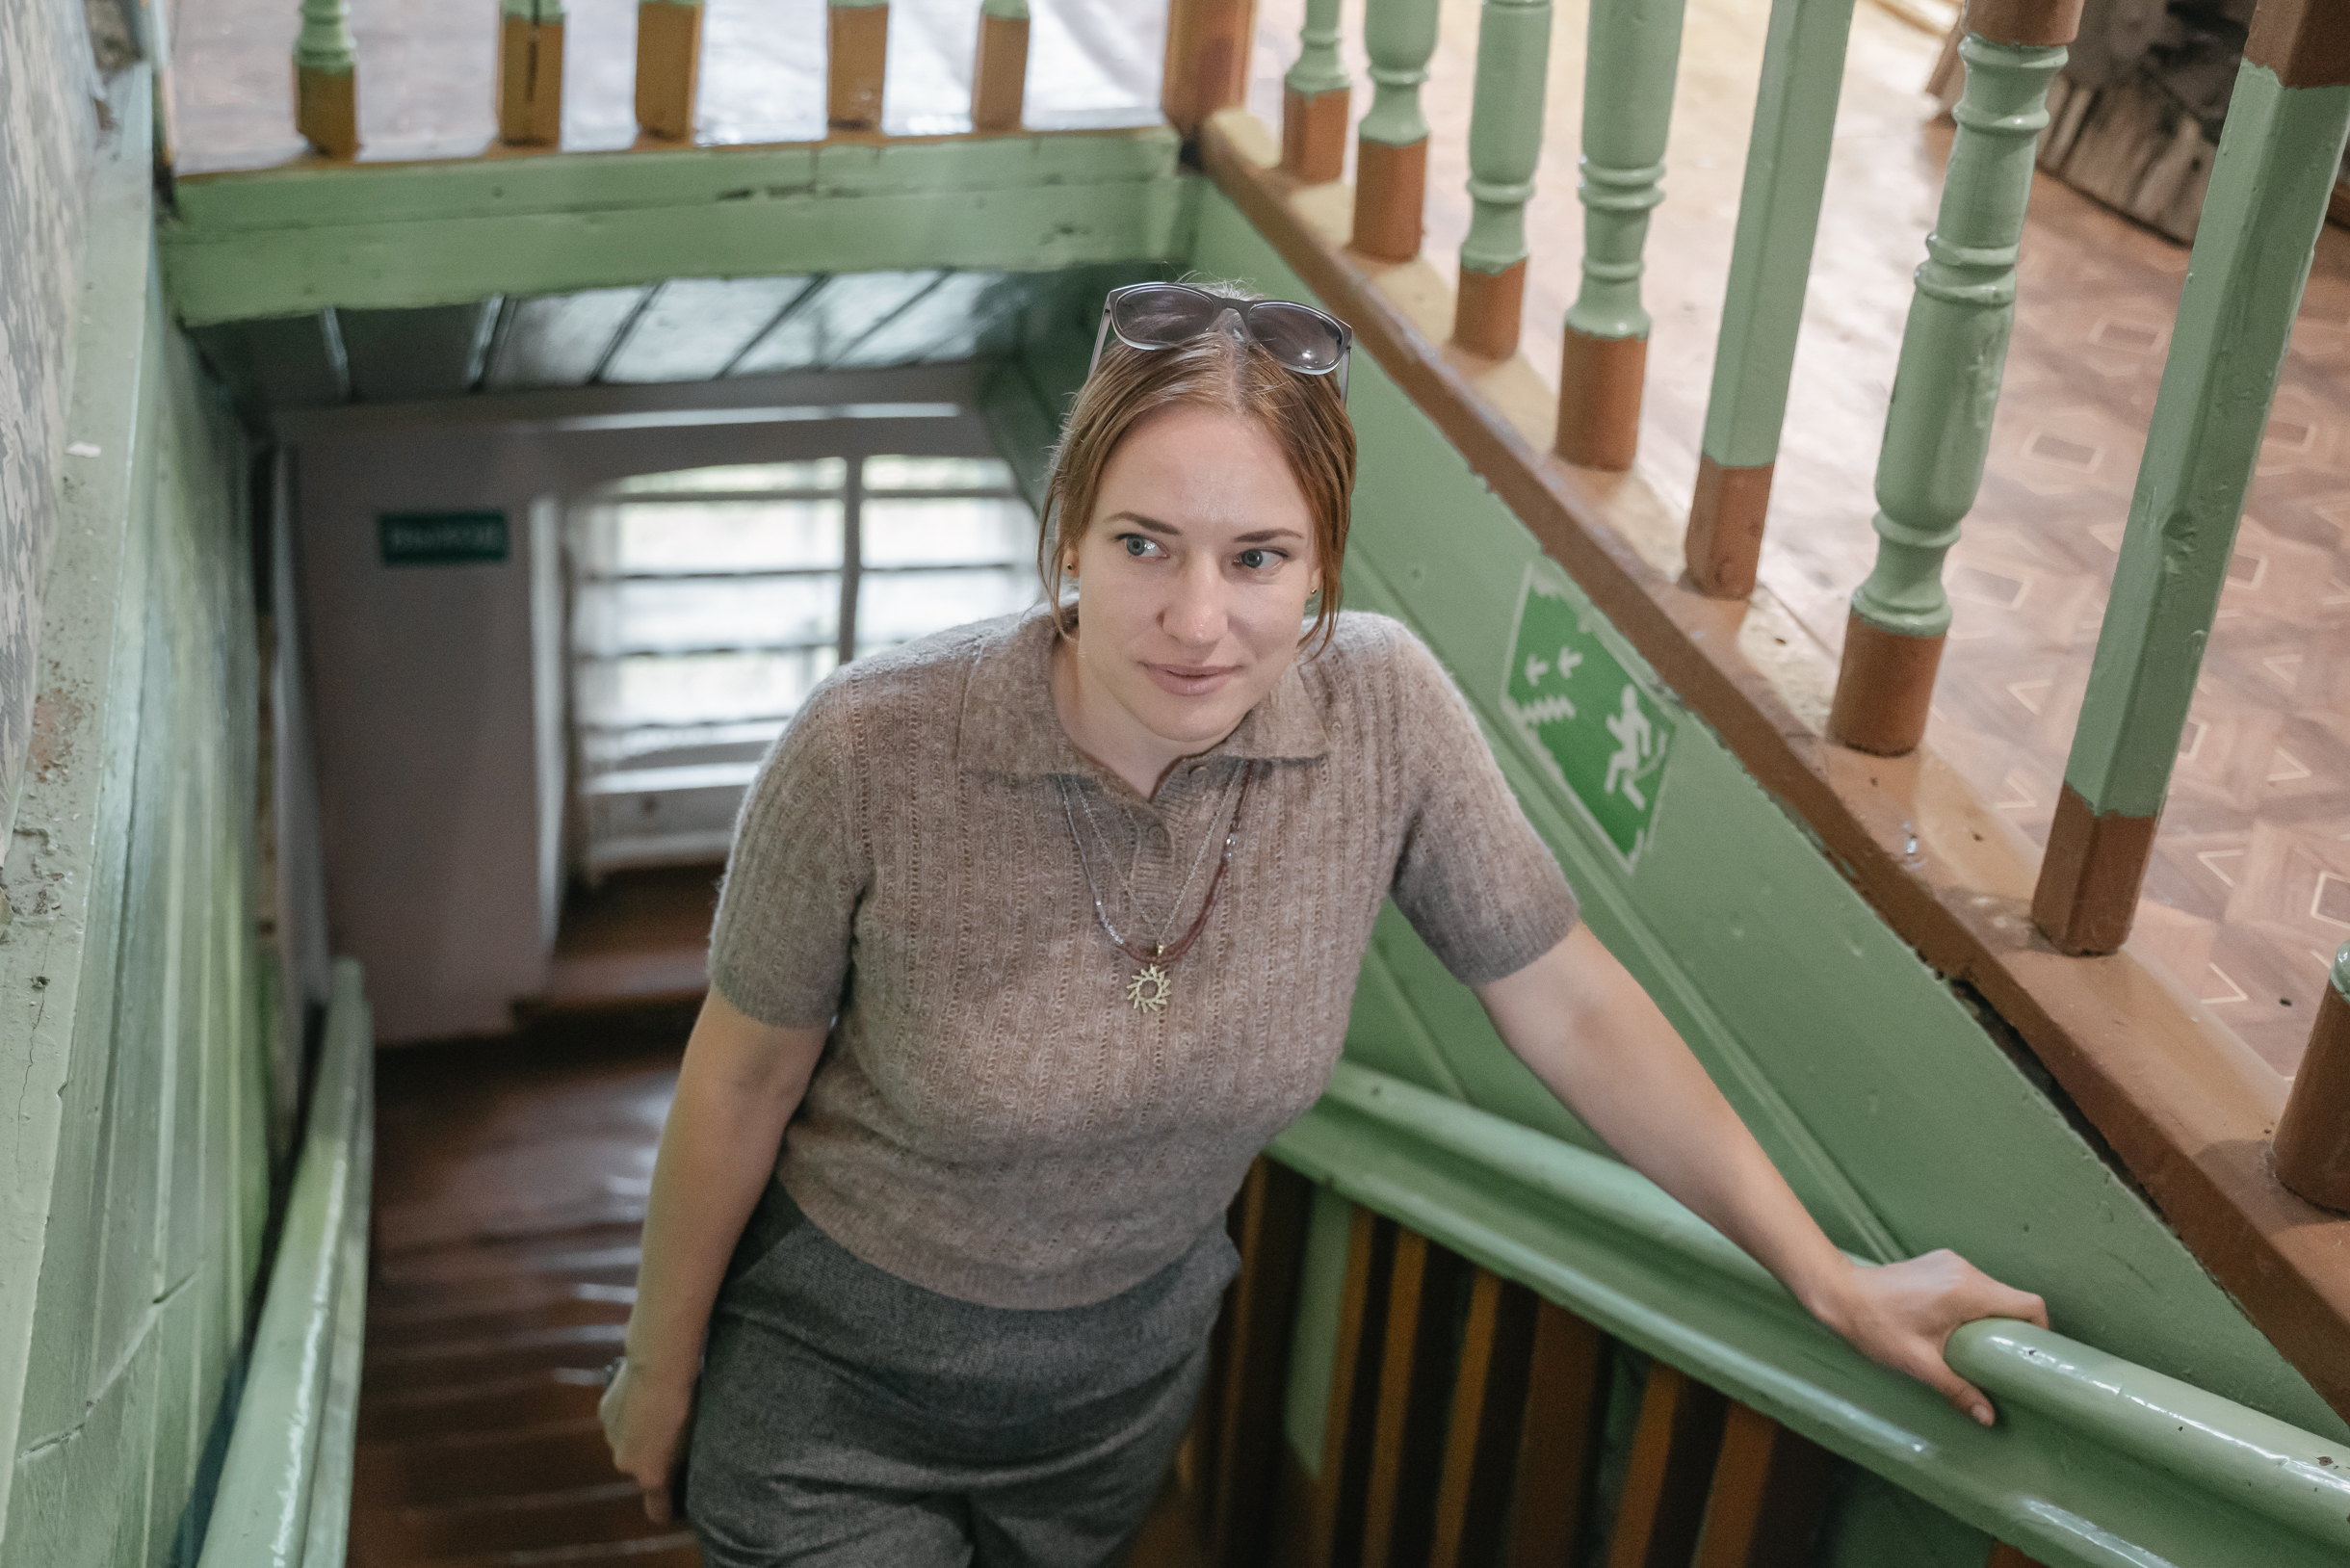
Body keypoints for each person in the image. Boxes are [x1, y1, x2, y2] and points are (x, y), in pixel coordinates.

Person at [599, 281, 2047, 1567]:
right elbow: (742, 1078)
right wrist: (657, 1371)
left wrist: (1826, 1275)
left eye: (1257, 558)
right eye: (1146, 544)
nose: (1197, 622)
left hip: (1116, 1403)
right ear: (1071, 535)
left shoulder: (1382, 711)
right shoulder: (872, 746)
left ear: (1321, 567)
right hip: (832, 1387)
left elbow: (1566, 996)